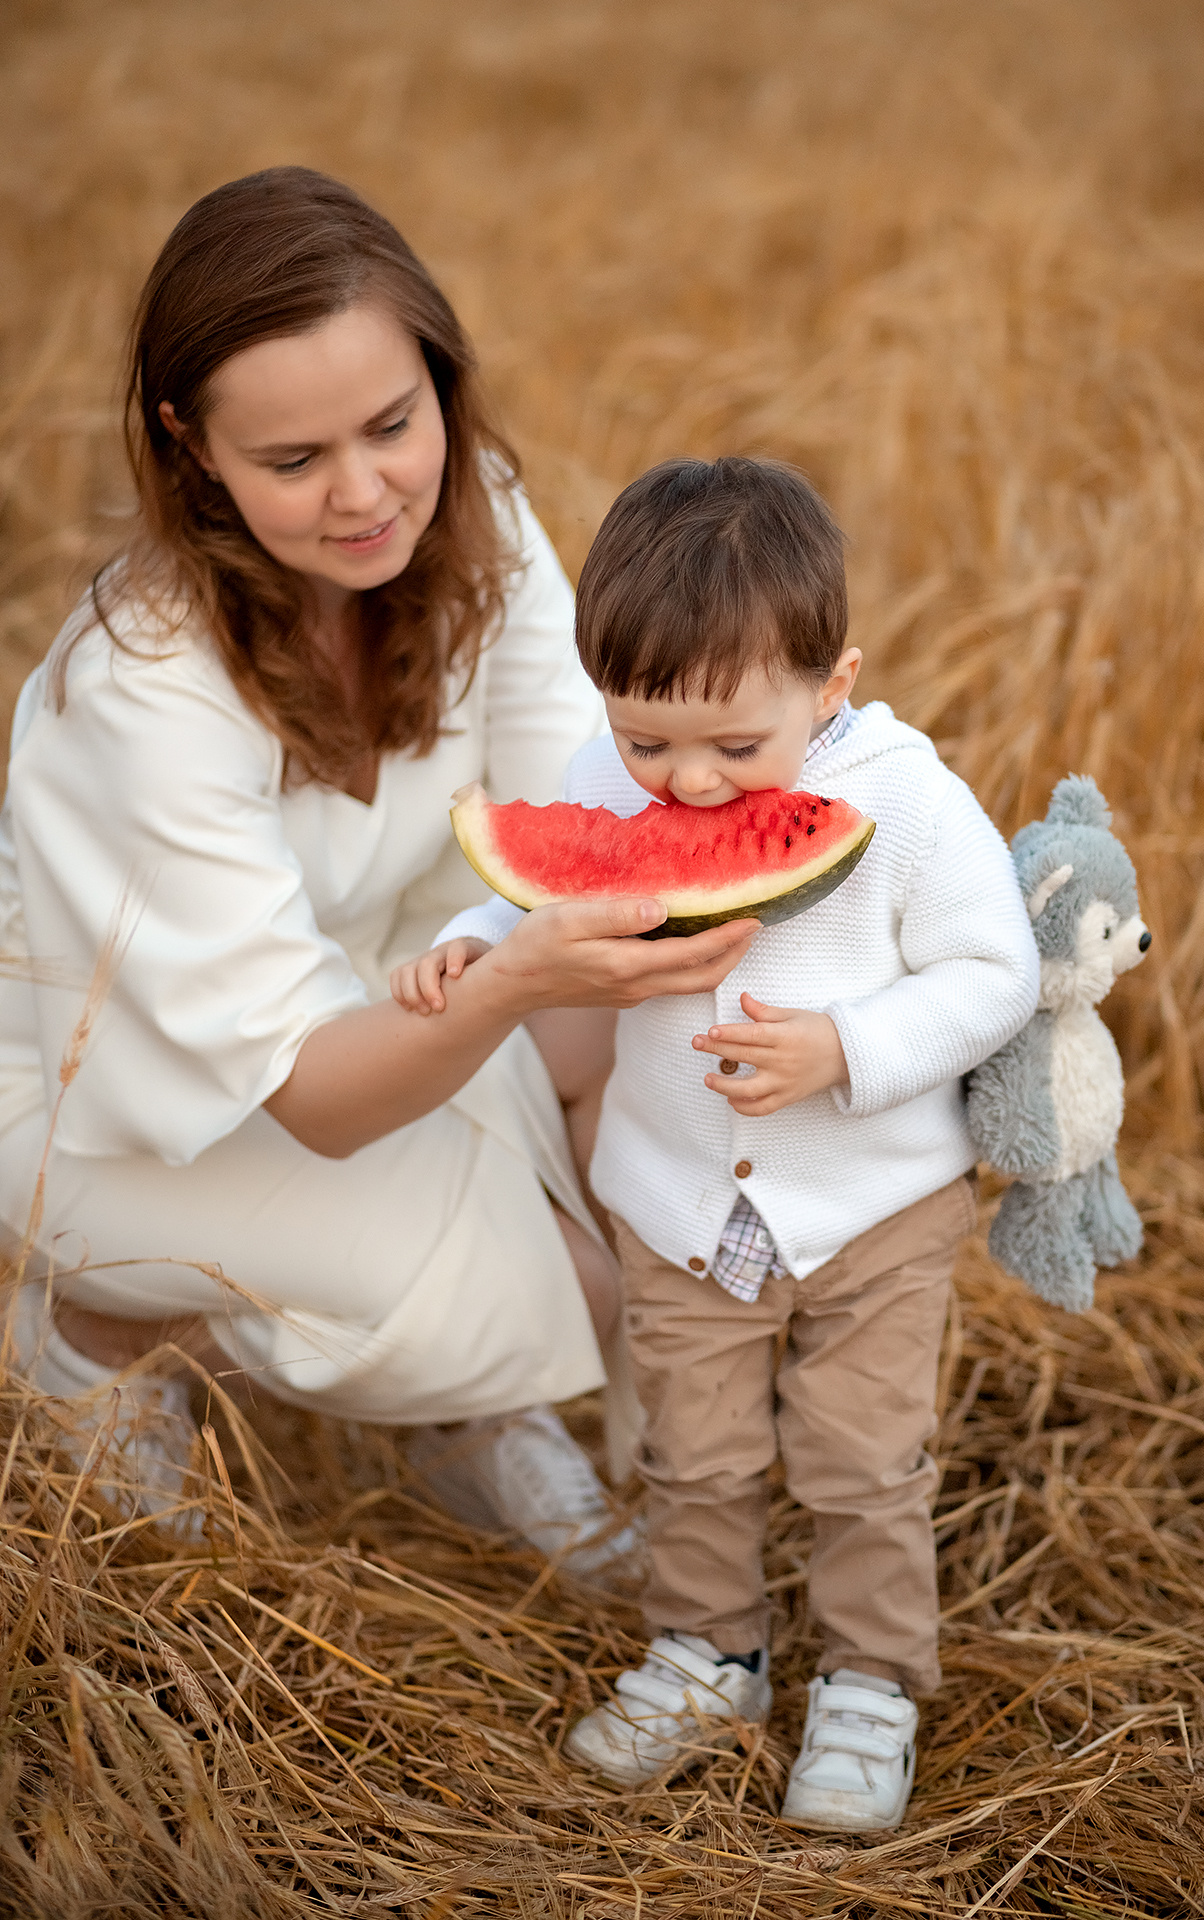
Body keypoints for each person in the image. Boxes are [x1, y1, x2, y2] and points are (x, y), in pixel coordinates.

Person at [0, 171, 760, 1564]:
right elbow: (317, 1099)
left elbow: (573, 832)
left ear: (440, 382)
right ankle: (97, 1326)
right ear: (189, 447)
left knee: (624, 1199)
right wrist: (531, 1006)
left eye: (394, 426)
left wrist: (623, 1125)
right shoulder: (142, 685)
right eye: (292, 463)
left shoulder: (484, 525)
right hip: (108, 1089)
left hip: (398, 986)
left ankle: (480, 1400)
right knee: (573, 1283)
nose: (364, 496)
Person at [397, 457, 1040, 1828]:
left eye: (737, 750)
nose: (683, 785)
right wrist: (461, 952)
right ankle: (710, 1652)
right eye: (645, 743)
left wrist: (849, 1053)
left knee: (865, 1461)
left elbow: (998, 974)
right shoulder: (608, 775)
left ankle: (871, 1678)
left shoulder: (910, 801)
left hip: (875, 1210)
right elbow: (534, 904)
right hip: (676, 1200)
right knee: (691, 1455)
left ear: (834, 684)